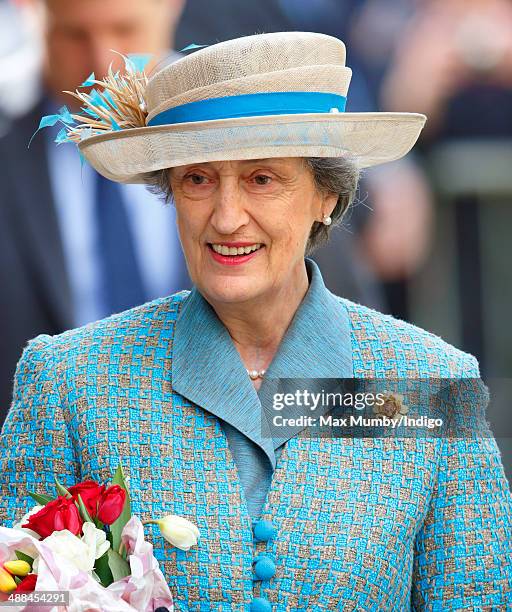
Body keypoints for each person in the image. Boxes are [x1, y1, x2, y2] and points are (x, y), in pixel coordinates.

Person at [1, 32, 511, 610]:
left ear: (327, 196)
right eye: (198, 179)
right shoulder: (73, 381)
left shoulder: (428, 385)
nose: (225, 216)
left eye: (261, 179)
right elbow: (21, 597)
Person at [0, 0, 190, 425]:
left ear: (173, 8)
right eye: (74, 35)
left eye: (126, 32)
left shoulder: (248, 138)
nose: (103, 65)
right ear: (31, 11)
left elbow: (332, 342)